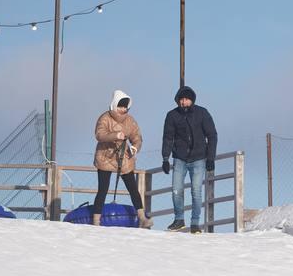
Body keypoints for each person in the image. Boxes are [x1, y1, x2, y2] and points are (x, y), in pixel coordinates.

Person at [159, 85, 217, 233]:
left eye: (186, 99)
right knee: (176, 190)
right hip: (180, 158)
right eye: (181, 99)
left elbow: (212, 135)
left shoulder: (202, 113)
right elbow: (168, 137)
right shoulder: (172, 115)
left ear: (192, 100)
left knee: (196, 191)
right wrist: (165, 158)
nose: (184, 102)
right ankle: (179, 220)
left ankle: (195, 223)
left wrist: (210, 158)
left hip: (198, 158)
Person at [92, 90, 148, 227]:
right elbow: (99, 134)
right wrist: (115, 135)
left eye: (125, 107)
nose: (122, 109)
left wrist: (135, 147)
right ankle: (96, 220)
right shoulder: (104, 118)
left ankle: (142, 217)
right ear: (114, 105)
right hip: (106, 156)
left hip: (124, 157)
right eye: (120, 106)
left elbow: (137, 136)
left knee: (133, 188)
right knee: (102, 189)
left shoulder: (130, 120)